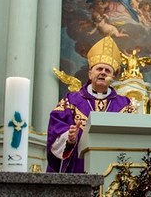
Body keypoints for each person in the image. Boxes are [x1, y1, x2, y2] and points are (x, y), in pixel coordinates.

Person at [46, 37, 133, 173]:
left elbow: (132, 137)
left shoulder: (124, 104)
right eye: (99, 69)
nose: (103, 72)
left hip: (114, 166)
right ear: (90, 74)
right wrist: (69, 138)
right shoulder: (71, 101)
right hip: (78, 166)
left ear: (112, 78)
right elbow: (55, 130)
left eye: (107, 70)